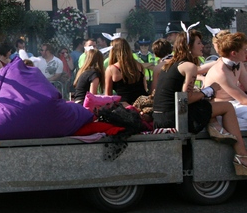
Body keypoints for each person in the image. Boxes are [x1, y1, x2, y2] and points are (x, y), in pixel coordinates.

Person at [153, 28, 247, 175]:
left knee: (207, 105)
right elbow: (186, 99)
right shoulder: (189, 66)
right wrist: (209, 90)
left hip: (160, 117)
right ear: (189, 46)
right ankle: (242, 156)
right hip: (173, 118)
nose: (202, 46)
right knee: (227, 107)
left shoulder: (169, 63)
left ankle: (216, 128)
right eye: (199, 43)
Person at [202, 32, 247, 130]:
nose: (246, 52)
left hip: (236, 104)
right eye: (244, 50)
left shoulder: (239, 63)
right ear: (234, 53)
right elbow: (244, 100)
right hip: (220, 109)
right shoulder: (220, 72)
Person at [104, 38, 148, 104]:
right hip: (142, 104)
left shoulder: (111, 69)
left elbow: (108, 96)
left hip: (124, 106)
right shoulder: (139, 65)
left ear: (113, 51)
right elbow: (145, 88)